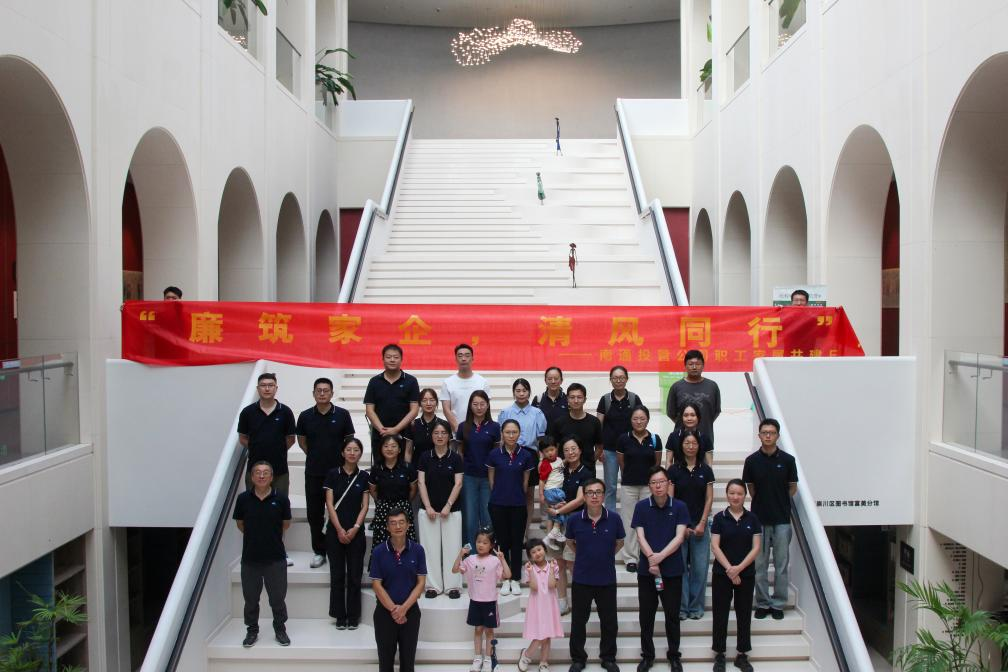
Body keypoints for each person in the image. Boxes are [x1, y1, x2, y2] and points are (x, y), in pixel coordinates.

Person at [631, 466, 690, 672]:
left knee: (672, 616)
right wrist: (651, 559)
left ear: (668, 484)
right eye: (654, 483)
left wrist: (660, 557)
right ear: (649, 486)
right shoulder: (641, 507)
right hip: (647, 571)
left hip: (672, 571)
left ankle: (674, 656)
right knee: (646, 616)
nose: (658, 486)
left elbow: (680, 537)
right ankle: (647, 656)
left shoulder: (680, 506)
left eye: (661, 482)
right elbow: (640, 536)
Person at [565, 478, 624, 672]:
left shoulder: (614, 519)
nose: (594, 496)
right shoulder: (574, 519)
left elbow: (620, 543)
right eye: (590, 492)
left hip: (606, 578)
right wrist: (584, 556)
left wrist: (605, 556)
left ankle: (608, 657)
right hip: (582, 578)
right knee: (578, 621)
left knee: (609, 622)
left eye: (598, 492)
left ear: (604, 495)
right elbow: (570, 542)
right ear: (584, 496)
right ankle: (578, 659)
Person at [297, 377, 355, 569]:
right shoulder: (305, 416)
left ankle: (338, 549)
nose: (322, 393)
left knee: (340, 512)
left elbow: (349, 441)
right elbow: (302, 442)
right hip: (314, 472)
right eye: (319, 390)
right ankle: (319, 551)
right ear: (314, 393)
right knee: (315, 514)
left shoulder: (343, 414)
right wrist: (316, 456)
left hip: (338, 473)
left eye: (326, 390)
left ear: (332, 393)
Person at [742, 418, 797, 621]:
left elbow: (792, 488)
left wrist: (779, 501)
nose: (768, 436)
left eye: (771, 433)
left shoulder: (788, 460)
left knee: (781, 565)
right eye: (764, 432)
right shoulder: (751, 461)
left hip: (782, 520)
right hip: (759, 520)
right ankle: (763, 603)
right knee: (760, 565)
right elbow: (751, 489)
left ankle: (778, 603)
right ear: (759, 435)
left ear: (777, 436)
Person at [233, 461, 292, 648]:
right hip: (250, 559)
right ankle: (252, 630)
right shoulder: (243, 499)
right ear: (252, 477)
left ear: (272, 477)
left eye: (266, 473)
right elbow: (240, 524)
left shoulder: (281, 499)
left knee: (277, 598)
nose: (261, 476)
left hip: (275, 558)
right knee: (251, 599)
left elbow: (285, 524)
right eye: (257, 472)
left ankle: (280, 629)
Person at [710, 479, 762, 672]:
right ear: (726, 494)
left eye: (739, 493)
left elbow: (756, 548)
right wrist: (730, 570)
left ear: (745, 496)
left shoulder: (753, 519)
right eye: (732, 493)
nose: (735, 497)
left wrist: (738, 569)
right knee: (720, 614)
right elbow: (715, 546)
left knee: (744, 613)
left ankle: (742, 654)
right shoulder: (719, 518)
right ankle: (720, 654)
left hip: (745, 574)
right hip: (721, 574)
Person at [370, 508, 426, 672]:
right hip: (384, 614)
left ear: (408, 525)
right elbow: (376, 585)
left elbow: (421, 583)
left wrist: (404, 609)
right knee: (385, 664)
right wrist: (394, 610)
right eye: (393, 523)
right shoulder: (379, 551)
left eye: (401, 522)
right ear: (387, 527)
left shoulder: (418, 550)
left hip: (410, 613)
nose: (398, 526)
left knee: (408, 664)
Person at [323, 437, 370, 630]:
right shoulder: (332, 474)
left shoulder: (364, 476)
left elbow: (365, 506)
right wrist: (340, 529)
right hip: (335, 532)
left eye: (356, 450)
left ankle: (353, 615)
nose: (352, 453)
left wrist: (356, 527)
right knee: (337, 575)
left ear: (360, 453)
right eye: (349, 449)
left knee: (354, 576)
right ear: (342, 452)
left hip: (356, 532)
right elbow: (329, 504)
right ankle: (339, 615)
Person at [668, 430, 715, 621]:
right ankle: (682, 608)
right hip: (679, 527)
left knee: (700, 569)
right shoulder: (673, 470)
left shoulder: (706, 470)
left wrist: (702, 523)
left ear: (699, 446)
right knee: (680, 569)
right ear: (681, 446)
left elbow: (709, 498)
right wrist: (681, 526)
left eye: (694, 443)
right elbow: (670, 499)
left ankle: (696, 607)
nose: (690, 446)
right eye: (687, 443)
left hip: (700, 525)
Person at [487, 418, 535, 596]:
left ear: (519, 433)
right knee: (502, 542)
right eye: (507, 432)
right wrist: (500, 493)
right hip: (498, 504)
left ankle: (515, 578)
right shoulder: (494, 454)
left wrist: (515, 494)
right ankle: (505, 578)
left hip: (518, 505)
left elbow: (525, 484)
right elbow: (491, 480)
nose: (511, 435)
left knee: (516, 542)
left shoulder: (526, 455)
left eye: (514, 432)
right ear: (502, 434)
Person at [417, 419, 464, 599]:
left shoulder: (456, 458)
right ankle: (432, 586)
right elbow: (421, 482)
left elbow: (458, 483)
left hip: (451, 511)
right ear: (431, 436)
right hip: (428, 511)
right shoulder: (424, 457)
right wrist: (428, 506)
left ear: (449, 436)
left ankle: (453, 586)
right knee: (429, 549)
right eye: (436, 433)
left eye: (443, 433)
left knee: (453, 548)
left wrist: (448, 506)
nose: (440, 436)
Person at [544, 438, 592, 615]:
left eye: (573, 448)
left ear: (580, 450)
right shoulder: (560, 470)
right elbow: (549, 489)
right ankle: (562, 601)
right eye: (566, 450)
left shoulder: (586, 472)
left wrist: (559, 510)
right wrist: (552, 506)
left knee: (573, 563)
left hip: (576, 522)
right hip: (556, 522)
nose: (570, 452)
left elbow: (580, 500)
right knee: (558, 564)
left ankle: (581, 602)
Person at [454, 529, 512, 672]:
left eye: (485, 543)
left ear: (491, 545)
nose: (481, 545)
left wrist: (502, 559)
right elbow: (455, 570)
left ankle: (488, 659)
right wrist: (460, 554)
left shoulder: (495, 561)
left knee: (489, 631)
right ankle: (477, 658)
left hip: (490, 602)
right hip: (475, 601)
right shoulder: (470, 559)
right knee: (478, 629)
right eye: (479, 541)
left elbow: (508, 575)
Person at [499, 377, 547, 534]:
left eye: (524, 390)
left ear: (529, 392)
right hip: (510, 453)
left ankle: (525, 532)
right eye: (518, 390)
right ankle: (511, 529)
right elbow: (501, 438)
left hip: (530, 454)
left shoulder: (537, 413)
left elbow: (540, 440)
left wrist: (541, 459)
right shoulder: (506, 412)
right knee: (510, 491)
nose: (521, 394)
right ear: (513, 392)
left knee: (529, 495)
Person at [616, 407, 662, 573]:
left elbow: (657, 464)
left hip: (648, 487)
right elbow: (621, 462)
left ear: (648, 419)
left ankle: (648, 555)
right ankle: (630, 558)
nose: (639, 421)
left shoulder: (655, 439)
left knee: (648, 521)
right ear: (631, 420)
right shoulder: (623, 439)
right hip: (629, 486)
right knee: (629, 522)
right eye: (635, 418)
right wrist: (630, 475)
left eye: (642, 418)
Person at [237, 373, 297, 501]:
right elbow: (242, 438)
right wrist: (256, 447)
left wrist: (276, 449)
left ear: (276, 388)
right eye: (263, 385)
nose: (267, 388)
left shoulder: (286, 412)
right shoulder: (247, 412)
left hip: (279, 470)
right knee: (253, 506)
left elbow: (291, 439)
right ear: (258, 388)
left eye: (271, 385)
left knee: (280, 505)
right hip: (254, 469)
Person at [456, 390, 500, 548]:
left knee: (488, 517)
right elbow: (460, 452)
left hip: (488, 478)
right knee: (470, 518)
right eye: (475, 404)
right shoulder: (463, 427)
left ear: (487, 405)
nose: (479, 407)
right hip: (469, 477)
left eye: (482, 404)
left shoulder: (495, 427)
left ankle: (489, 554)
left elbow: (496, 454)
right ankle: (471, 554)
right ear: (470, 406)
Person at [597, 365, 643, 510]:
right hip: (609, 450)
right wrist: (599, 449)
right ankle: (610, 515)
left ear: (627, 379)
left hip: (630, 450)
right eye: (615, 378)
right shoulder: (605, 400)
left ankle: (629, 515)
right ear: (610, 380)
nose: (618, 380)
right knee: (610, 486)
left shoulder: (634, 399)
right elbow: (598, 426)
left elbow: (641, 422)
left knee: (629, 484)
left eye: (622, 377)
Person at [364, 344, 420, 458]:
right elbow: (369, 410)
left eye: (396, 357)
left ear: (401, 359)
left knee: (403, 466)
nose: (392, 360)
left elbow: (414, 410)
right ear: (383, 359)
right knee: (380, 466)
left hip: (404, 434)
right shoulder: (374, 381)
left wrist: (396, 429)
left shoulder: (411, 381)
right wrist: (382, 430)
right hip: (380, 434)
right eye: (388, 357)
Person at [518, 538, 563, 672]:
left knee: (547, 635)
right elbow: (534, 587)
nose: (537, 553)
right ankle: (526, 655)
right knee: (539, 635)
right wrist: (531, 571)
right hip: (537, 606)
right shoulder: (529, 569)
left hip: (549, 606)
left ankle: (543, 662)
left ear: (545, 549)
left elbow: (552, 585)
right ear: (530, 556)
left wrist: (552, 569)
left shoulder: (554, 566)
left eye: (539, 549)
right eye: (533, 552)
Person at [369, 435, 418, 555]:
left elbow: (413, 490)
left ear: (399, 449)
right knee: (382, 545)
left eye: (393, 446)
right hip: (383, 509)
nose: (389, 449)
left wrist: (404, 502)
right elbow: (373, 490)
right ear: (381, 449)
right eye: (386, 446)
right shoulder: (376, 469)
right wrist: (382, 503)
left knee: (405, 544)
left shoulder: (407, 468)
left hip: (403, 508)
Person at [665, 350, 721, 444]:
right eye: (690, 364)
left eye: (698, 364)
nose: (694, 367)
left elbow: (716, 411)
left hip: (706, 438)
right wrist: (687, 424)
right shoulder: (676, 387)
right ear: (685, 366)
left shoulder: (712, 386)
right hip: (682, 440)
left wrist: (703, 424)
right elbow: (671, 413)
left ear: (703, 365)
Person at [548, 383, 602, 471]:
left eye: (579, 397)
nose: (576, 401)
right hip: (564, 470)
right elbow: (555, 447)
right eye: (572, 397)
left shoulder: (594, 422)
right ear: (567, 399)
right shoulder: (559, 422)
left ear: (585, 399)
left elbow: (599, 447)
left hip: (587, 470)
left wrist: (590, 462)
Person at [441, 343, 491, 433]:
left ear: (472, 359)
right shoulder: (448, 382)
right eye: (460, 356)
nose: (463, 359)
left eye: (467, 355)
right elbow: (446, 409)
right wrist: (458, 429)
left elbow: (486, 407)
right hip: (456, 433)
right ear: (456, 359)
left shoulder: (482, 382)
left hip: (479, 432)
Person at [538, 436, 567, 549]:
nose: (550, 453)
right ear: (542, 453)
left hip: (556, 490)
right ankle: (556, 530)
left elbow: (561, 464)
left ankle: (549, 538)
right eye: (546, 451)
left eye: (552, 449)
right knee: (562, 506)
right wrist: (541, 494)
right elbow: (542, 480)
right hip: (552, 490)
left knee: (552, 514)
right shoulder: (545, 464)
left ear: (557, 448)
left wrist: (568, 459)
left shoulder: (559, 460)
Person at [408, 388, 442, 464]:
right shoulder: (413, 424)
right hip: (417, 466)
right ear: (420, 403)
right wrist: (408, 468)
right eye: (424, 400)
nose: (428, 403)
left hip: (438, 467)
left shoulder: (443, 424)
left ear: (436, 402)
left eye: (432, 400)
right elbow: (408, 452)